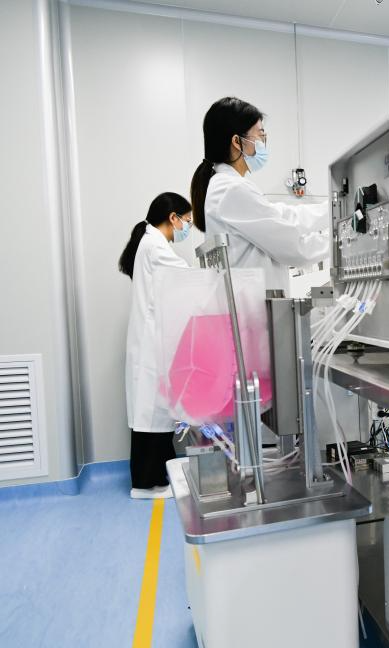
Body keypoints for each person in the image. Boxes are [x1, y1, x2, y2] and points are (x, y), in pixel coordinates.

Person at [190, 97, 330, 292]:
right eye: (260, 135)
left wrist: (333, 210)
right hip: (253, 307)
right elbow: (295, 249)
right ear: (237, 141)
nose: (263, 143)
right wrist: (343, 238)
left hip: (249, 304)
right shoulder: (232, 189)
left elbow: (282, 216)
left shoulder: (225, 186)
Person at [118, 192, 192, 499]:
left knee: (156, 415)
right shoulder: (154, 246)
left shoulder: (151, 243)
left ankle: (161, 475)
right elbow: (187, 277)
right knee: (151, 415)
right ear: (173, 217)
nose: (187, 227)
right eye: (186, 221)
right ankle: (145, 485)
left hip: (152, 342)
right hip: (150, 346)